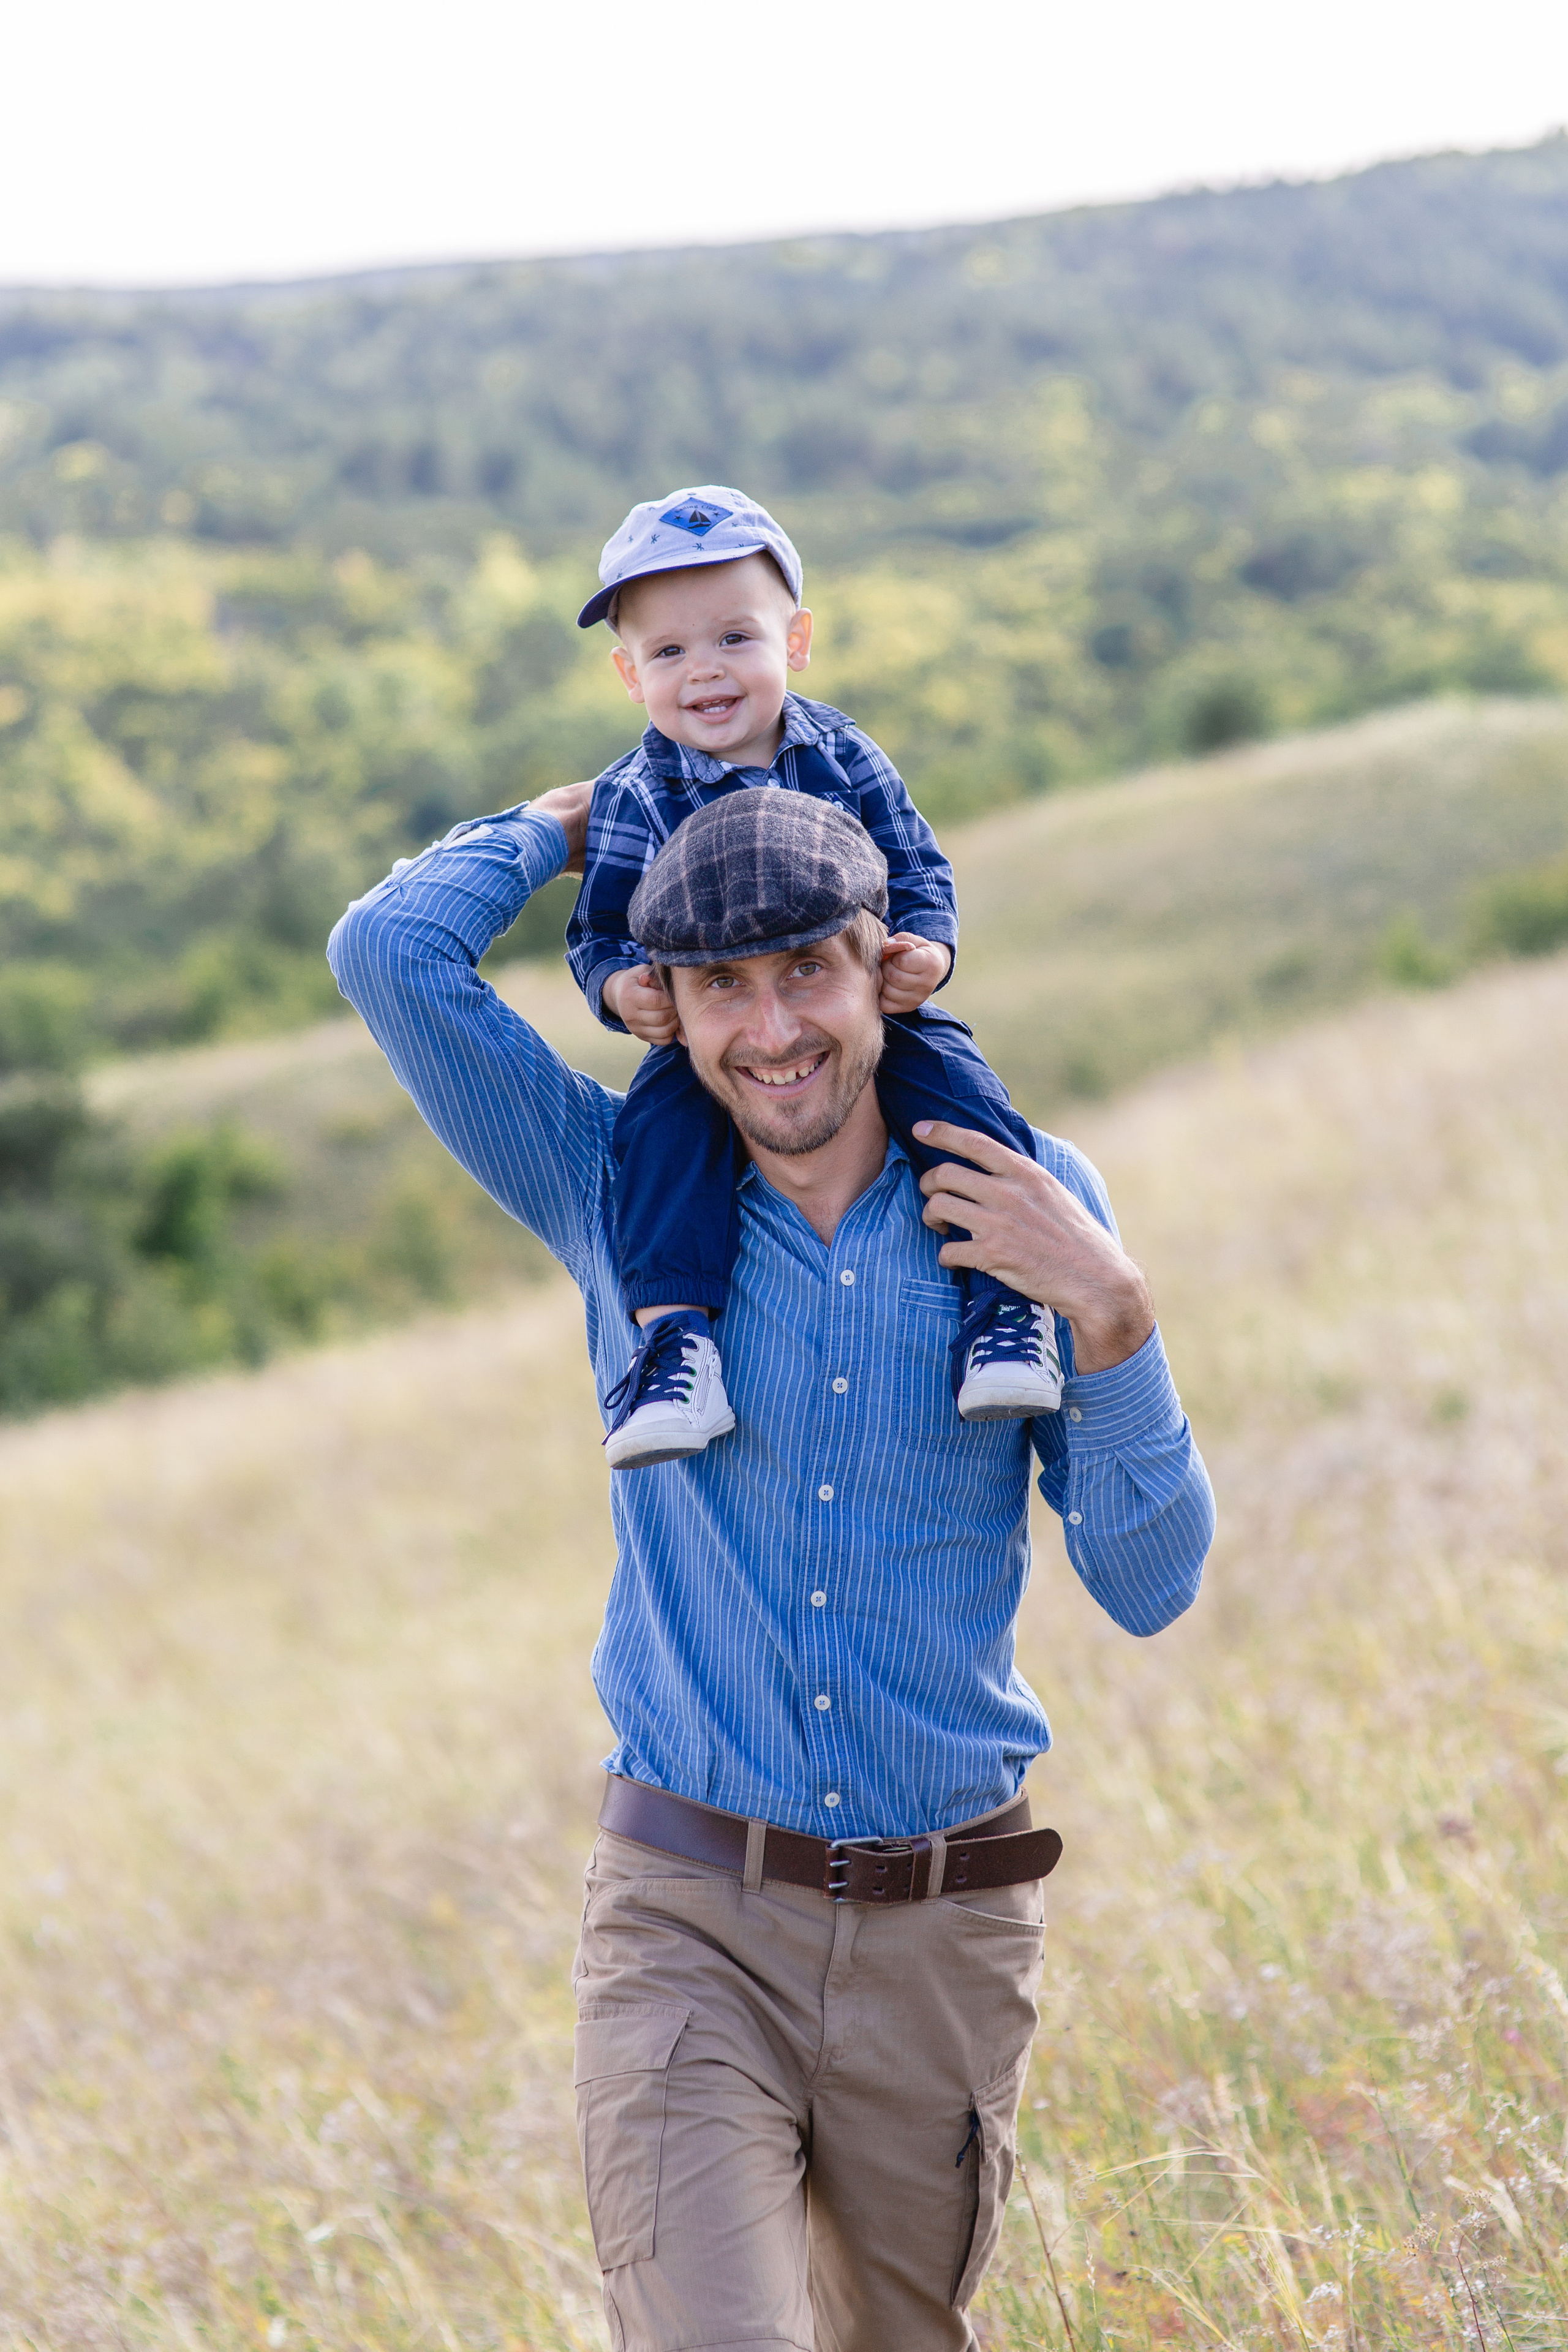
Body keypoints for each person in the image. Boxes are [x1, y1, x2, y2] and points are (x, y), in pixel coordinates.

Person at [328, 782, 1215, 2352]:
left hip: (945, 1933)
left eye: (806, 966)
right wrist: (562, 821)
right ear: (667, 1008)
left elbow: (1149, 1586)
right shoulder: (613, 1192)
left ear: (886, 965)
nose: (771, 1030)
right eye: (721, 987)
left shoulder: (1028, 1200)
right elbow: (390, 954)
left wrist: (1115, 1322)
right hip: (686, 1923)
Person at [568, 484, 1065, 1470]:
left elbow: (915, 865)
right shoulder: (635, 792)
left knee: (959, 1094)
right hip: (705, 1039)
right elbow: (601, 928)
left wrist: (927, 946)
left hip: (863, 1004)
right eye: (669, 653)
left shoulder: (842, 756)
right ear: (630, 674)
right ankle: (677, 1341)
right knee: (659, 1134)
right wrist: (624, 988)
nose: (704, 672)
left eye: (734, 639)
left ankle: (1007, 1308)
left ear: (793, 643)